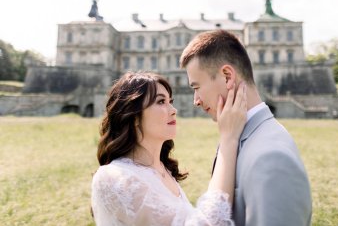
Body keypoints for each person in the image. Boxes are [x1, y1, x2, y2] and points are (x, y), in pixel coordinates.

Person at [180, 30, 312, 226]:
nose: (196, 101)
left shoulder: (272, 159)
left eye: (196, 87)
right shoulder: (241, 133)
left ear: (227, 76)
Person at [91, 71, 247, 225]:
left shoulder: (163, 170)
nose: (173, 110)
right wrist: (228, 139)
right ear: (134, 116)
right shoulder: (113, 178)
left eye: (170, 101)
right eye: (160, 102)